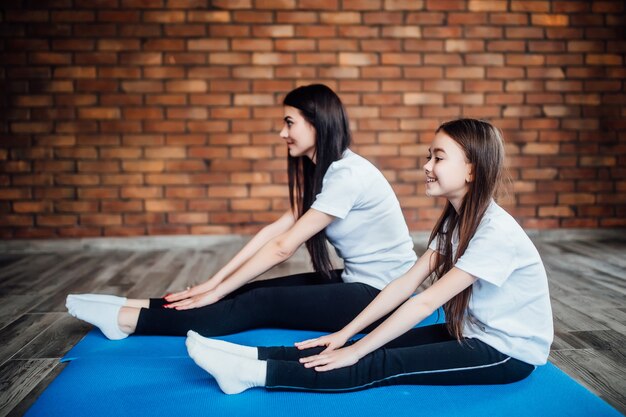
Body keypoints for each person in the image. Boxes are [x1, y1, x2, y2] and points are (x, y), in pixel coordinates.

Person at [182, 118, 554, 394]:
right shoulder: (457, 221)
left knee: (378, 360)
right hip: (471, 333)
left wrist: (355, 348)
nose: (426, 166)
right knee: (362, 343)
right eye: (429, 156)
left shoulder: (495, 232)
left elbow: (425, 301)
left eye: (438, 158)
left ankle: (254, 375)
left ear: (472, 168)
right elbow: (405, 284)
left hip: (506, 352)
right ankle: (252, 356)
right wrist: (345, 335)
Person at [65, 84, 417, 340]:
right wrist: (214, 283)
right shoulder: (328, 171)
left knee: (257, 302)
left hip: (382, 298)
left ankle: (126, 320)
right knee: (245, 290)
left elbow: (283, 247)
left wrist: (215, 292)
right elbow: (271, 233)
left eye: (289, 122)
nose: (283, 133)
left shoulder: (347, 175)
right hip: (359, 284)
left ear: (316, 123)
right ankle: (137, 304)